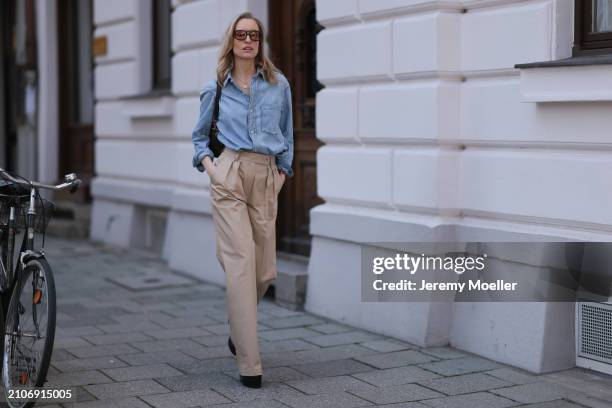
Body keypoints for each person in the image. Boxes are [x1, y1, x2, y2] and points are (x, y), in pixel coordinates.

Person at [191, 12, 294, 389]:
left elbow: (287, 133)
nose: (248, 40)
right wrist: (213, 169)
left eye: (254, 35)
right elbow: (199, 138)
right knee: (240, 263)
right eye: (241, 35)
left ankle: (239, 324)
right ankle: (250, 365)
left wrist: (282, 174)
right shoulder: (215, 88)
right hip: (230, 173)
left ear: (260, 41)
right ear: (231, 41)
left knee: (264, 271)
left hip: (267, 176)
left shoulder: (278, 84)